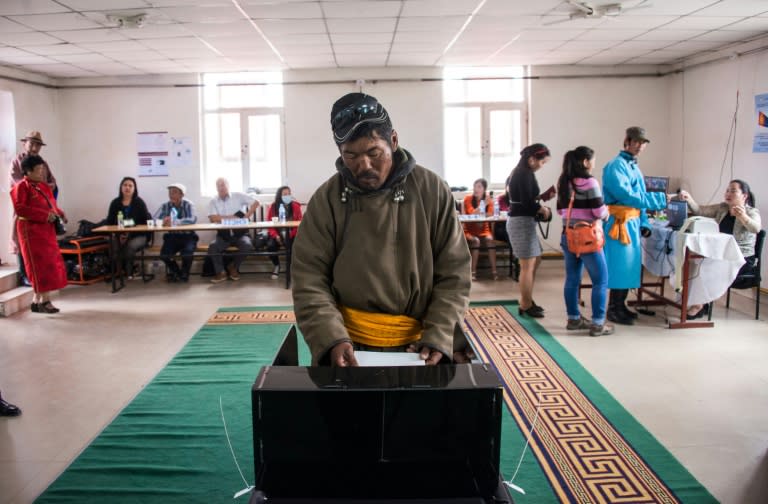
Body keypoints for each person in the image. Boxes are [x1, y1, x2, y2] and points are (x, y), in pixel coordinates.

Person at [291, 92, 472, 367]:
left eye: (374, 153)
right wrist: (330, 337)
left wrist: (441, 331)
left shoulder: (432, 190)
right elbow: (309, 277)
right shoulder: (327, 199)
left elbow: (454, 272)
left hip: (423, 343)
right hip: (350, 344)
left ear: (394, 141)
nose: (363, 166)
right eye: (350, 155)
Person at [602, 127, 667, 325]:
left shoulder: (634, 167)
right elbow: (627, 196)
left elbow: (639, 200)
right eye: (636, 141)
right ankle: (613, 309)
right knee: (619, 267)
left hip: (632, 222)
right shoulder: (616, 166)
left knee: (629, 267)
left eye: (643, 142)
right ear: (627, 141)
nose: (640, 146)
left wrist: (644, 222)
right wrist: (663, 198)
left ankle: (621, 305)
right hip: (618, 224)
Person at [678, 179, 762, 318]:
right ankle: (696, 300)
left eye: (733, 191)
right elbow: (700, 210)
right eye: (727, 190)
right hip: (720, 253)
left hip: (740, 258)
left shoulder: (752, 212)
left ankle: (699, 305)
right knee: (693, 262)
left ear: (744, 196)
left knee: (705, 266)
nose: (728, 193)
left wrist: (743, 216)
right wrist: (689, 198)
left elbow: (756, 228)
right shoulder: (723, 208)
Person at [556, 146, 613, 337]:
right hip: (588, 238)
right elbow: (599, 212)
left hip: (568, 235)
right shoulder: (589, 182)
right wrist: (607, 212)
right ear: (586, 162)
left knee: (572, 279)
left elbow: (560, 211)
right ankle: (598, 323)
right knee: (601, 280)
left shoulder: (564, 181)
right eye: (593, 159)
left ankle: (573, 319)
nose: (594, 163)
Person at [10, 155, 68, 313]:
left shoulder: (43, 187)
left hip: (46, 231)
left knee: (49, 264)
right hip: (30, 232)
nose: (42, 172)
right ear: (27, 171)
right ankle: (45, 301)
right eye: (39, 169)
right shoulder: (20, 187)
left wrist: (60, 213)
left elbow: (51, 205)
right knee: (38, 266)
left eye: (43, 169)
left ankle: (36, 301)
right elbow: (20, 209)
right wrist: (43, 215)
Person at [506, 143, 552, 317]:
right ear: (532, 159)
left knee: (536, 260)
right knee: (526, 266)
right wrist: (542, 210)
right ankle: (525, 304)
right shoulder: (523, 174)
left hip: (523, 221)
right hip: (521, 222)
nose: (542, 165)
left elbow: (525, 198)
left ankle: (527, 299)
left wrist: (540, 202)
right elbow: (526, 202)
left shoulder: (522, 172)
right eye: (542, 162)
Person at [9, 131, 58, 287]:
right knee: (21, 241)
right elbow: (17, 184)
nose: (35, 147)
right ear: (24, 144)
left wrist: (44, 188)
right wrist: (35, 188)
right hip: (25, 208)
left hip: (42, 210)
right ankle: (24, 275)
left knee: (40, 243)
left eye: (38, 145)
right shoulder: (17, 161)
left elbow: (52, 182)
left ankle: (40, 274)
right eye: (32, 143)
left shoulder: (42, 162)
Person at [207, 177, 260, 283]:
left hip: (240, 233)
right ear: (216, 188)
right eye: (219, 185)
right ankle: (221, 272)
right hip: (223, 235)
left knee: (247, 245)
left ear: (228, 186)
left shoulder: (238, 196)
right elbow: (213, 218)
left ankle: (233, 267)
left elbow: (256, 202)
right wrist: (233, 217)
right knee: (213, 247)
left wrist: (246, 216)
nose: (221, 187)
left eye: (223, 185)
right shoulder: (213, 201)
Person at [106, 177, 151, 280]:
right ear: (121, 187)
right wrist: (119, 234)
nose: (127, 187)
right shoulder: (115, 203)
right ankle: (117, 272)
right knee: (113, 243)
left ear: (134, 189)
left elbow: (145, 222)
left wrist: (129, 234)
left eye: (130, 186)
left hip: (139, 235)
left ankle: (129, 272)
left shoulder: (139, 202)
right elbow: (110, 222)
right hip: (119, 234)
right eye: (125, 185)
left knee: (130, 245)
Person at [154, 183, 198, 282]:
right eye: (170, 192)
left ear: (182, 195)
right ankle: (177, 272)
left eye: (174, 192)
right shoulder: (165, 205)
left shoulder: (188, 204)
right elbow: (154, 219)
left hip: (188, 236)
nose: (171, 195)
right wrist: (162, 221)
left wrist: (175, 222)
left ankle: (184, 274)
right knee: (164, 255)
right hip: (172, 236)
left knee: (187, 253)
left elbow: (193, 219)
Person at [462, 178, 497, 280]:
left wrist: (482, 211)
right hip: (469, 230)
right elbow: (472, 213)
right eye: (475, 186)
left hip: (484, 230)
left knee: (490, 240)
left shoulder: (488, 200)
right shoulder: (468, 199)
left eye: (479, 187)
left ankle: (494, 271)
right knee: (476, 241)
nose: (476, 189)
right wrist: (483, 206)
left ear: (484, 189)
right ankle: (473, 272)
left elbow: (490, 214)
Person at [265, 186, 302, 279]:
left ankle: (291, 268)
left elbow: (299, 223)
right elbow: (270, 224)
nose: (287, 196)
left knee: (295, 246)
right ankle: (277, 266)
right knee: (270, 246)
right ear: (279, 196)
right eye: (285, 194)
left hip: (291, 234)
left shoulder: (296, 206)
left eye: (289, 194)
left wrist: (290, 235)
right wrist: (276, 236)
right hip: (277, 234)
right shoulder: (273, 207)